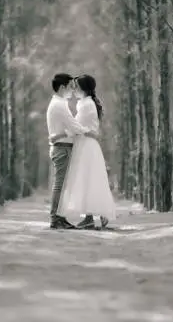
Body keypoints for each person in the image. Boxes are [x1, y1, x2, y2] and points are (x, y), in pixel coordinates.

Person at [51, 74, 116, 229]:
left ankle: (91, 217)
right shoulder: (88, 103)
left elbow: (77, 127)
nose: (74, 90)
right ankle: (92, 216)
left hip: (86, 145)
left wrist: (59, 135)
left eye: (77, 87)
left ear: (84, 89)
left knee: (85, 179)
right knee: (88, 180)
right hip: (88, 144)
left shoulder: (85, 104)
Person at [45, 73, 98, 229]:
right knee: (60, 186)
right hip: (62, 148)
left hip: (61, 146)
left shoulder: (58, 103)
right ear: (62, 87)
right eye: (70, 86)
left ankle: (60, 217)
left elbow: (70, 126)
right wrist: (89, 132)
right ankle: (56, 219)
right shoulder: (60, 104)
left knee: (62, 186)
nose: (72, 90)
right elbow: (73, 126)